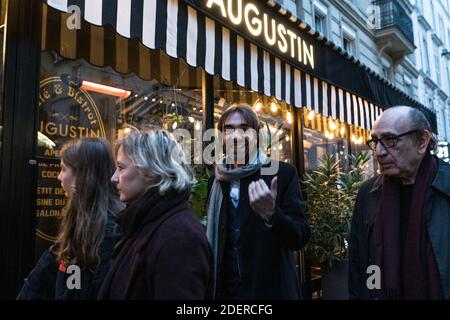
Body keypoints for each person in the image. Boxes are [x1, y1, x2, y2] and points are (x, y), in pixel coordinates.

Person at [206, 103, 310, 300]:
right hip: (228, 294)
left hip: (271, 292)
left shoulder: (282, 174)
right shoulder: (217, 180)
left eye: (244, 129)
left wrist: (272, 214)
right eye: (228, 130)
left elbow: (300, 237)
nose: (236, 137)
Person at [349, 106, 450, 300]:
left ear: (422, 141)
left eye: (390, 140)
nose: (379, 152)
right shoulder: (368, 193)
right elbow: (359, 265)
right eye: (375, 141)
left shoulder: (445, 188)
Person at [97, 129, 212, 300]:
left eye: (121, 168)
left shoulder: (179, 237)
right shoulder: (146, 222)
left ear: (151, 171)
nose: (114, 178)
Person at [18, 138, 123, 299]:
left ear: (82, 175)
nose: (59, 177)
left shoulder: (108, 233)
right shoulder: (84, 221)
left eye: (63, 169)